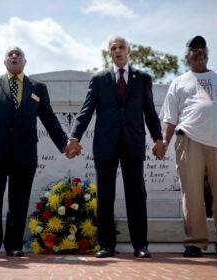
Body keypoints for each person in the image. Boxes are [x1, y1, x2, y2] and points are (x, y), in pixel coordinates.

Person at [0, 46, 77, 258]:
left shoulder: (37, 87)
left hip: (24, 153)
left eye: (19, 55)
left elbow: (49, 118)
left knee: (19, 202)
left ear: (25, 61)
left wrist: (64, 144)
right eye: (10, 55)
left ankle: (14, 245)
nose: (14, 57)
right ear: (4, 62)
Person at [67, 36, 165, 258]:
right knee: (105, 196)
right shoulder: (99, 79)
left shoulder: (142, 78)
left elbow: (150, 112)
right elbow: (86, 110)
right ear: (109, 53)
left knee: (137, 195)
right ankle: (106, 245)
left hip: (133, 143)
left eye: (121, 47)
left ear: (129, 50)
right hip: (105, 144)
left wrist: (158, 139)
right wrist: (74, 137)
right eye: (114, 48)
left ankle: (140, 245)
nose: (118, 50)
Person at [161, 35, 217, 259]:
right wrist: (164, 142)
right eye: (194, 49)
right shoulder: (178, 82)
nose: (199, 51)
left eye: (202, 48)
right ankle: (195, 242)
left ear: (207, 53)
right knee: (192, 194)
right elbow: (170, 118)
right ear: (186, 56)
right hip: (189, 140)